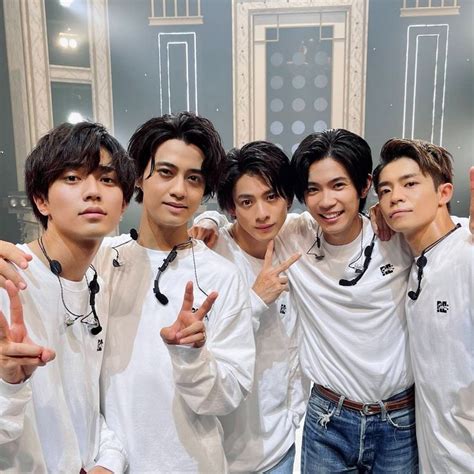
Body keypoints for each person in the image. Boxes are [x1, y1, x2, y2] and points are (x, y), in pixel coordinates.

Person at [194, 129, 419, 472]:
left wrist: (384, 210)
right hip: (324, 419)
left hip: (397, 419)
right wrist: (206, 220)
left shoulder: (395, 237)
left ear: (364, 186)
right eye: (313, 190)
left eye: (338, 185)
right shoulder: (287, 239)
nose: (325, 201)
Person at [93, 112, 255, 472]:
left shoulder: (222, 276)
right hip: (110, 464)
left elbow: (228, 396)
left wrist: (193, 356)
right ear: (139, 175)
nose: (180, 190)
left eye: (193, 179)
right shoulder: (101, 261)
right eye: (166, 172)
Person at [0, 122, 135, 472]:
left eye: (107, 179)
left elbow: (86, 405)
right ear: (41, 200)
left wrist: (109, 461)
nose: (93, 191)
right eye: (73, 178)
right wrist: (8, 383)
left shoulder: (97, 285)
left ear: (122, 206)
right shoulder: (7, 276)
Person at [191, 141, 308, 473]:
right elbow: (200, 352)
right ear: (231, 207)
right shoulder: (210, 256)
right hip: (223, 452)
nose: (262, 213)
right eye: (247, 201)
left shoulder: (295, 241)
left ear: (287, 197)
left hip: (282, 446)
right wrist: (255, 300)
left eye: (271, 197)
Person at [373, 138, 473, 473]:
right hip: (435, 454)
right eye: (384, 190)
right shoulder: (411, 259)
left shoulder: (468, 253)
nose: (394, 197)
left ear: (444, 193)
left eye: (410, 184)